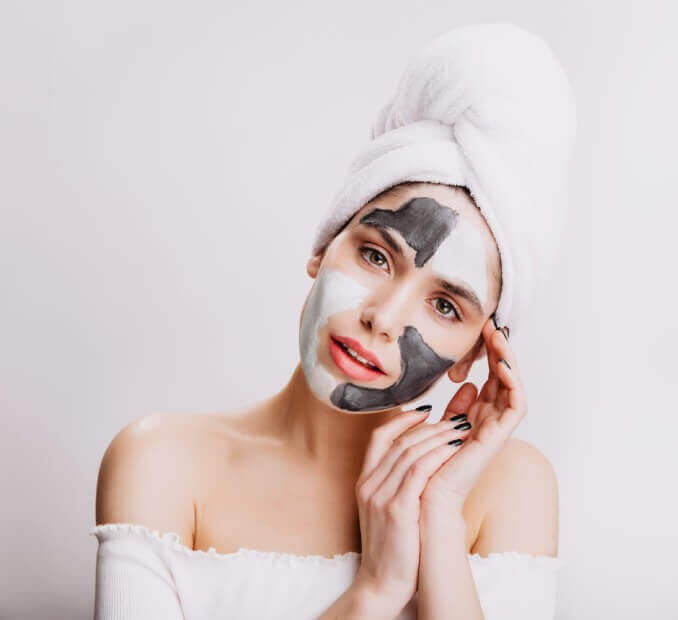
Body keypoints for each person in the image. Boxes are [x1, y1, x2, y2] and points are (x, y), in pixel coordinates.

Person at [91, 21, 576, 620]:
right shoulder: (162, 461)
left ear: (479, 350)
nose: (383, 318)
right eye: (376, 256)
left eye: (445, 305)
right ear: (324, 246)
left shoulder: (510, 489)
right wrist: (375, 591)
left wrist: (441, 520)